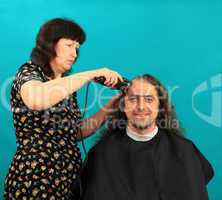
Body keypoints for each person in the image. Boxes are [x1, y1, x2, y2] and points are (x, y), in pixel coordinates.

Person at [4, 18, 124, 199]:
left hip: (69, 179)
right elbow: (37, 99)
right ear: (50, 44)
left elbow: (73, 134)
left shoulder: (66, 86)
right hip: (35, 178)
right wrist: (91, 74)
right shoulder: (29, 72)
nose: (74, 53)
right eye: (69, 45)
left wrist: (109, 108)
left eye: (77, 48)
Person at [80, 74, 214, 200]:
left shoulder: (184, 150)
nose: (141, 107)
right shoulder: (102, 153)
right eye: (133, 99)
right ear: (122, 105)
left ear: (160, 106)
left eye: (149, 99)